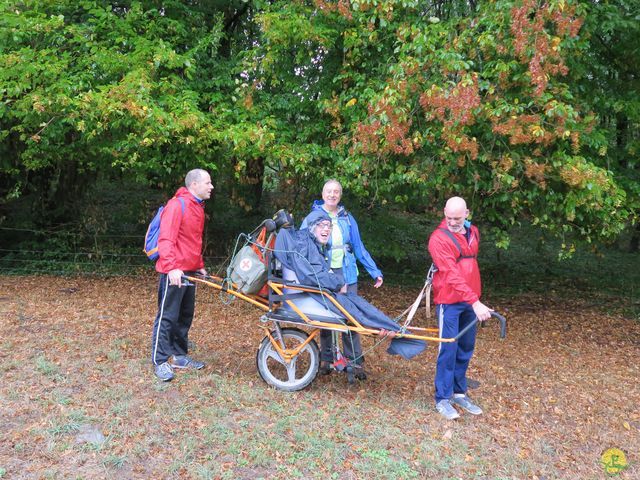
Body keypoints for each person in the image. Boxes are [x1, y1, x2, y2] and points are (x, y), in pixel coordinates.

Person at [275, 210, 425, 367]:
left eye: (329, 226)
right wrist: (338, 282)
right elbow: (311, 276)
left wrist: (335, 281)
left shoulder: (309, 243)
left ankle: (395, 330)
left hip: (317, 293)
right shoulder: (305, 245)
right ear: (312, 226)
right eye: (322, 225)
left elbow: (315, 273)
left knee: (357, 304)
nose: (326, 229)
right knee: (358, 312)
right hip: (313, 296)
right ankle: (396, 332)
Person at [301, 180, 383, 379]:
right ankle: (326, 359)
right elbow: (302, 244)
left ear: (340, 195)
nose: (332, 195)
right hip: (324, 274)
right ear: (322, 193)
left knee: (350, 317)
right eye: (329, 191)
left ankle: (354, 362)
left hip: (346, 273)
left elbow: (358, 246)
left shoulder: (347, 218)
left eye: (336, 192)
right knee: (327, 317)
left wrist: (374, 271)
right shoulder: (313, 217)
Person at [428, 196, 493, 419]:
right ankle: (443, 398)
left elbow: (469, 266)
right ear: (444, 213)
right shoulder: (438, 239)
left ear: (467, 213)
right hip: (449, 301)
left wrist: (474, 299)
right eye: (448, 217)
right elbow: (451, 274)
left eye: (457, 218)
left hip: (470, 302)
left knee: (466, 347)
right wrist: (475, 301)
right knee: (448, 349)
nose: (453, 222)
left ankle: (458, 392)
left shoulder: (473, 232)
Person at [151, 169, 213, 381]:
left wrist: (199, 265)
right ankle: (160, 361)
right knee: (167, 316)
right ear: (194, 185)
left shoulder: (198, 208)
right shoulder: (177, 205)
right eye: (207, 182)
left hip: (189, 272)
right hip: (174, 272)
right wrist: (171, 268)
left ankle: (179, 356)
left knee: (184, 315)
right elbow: (166, 239)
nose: (211, 187)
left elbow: (192, 241)